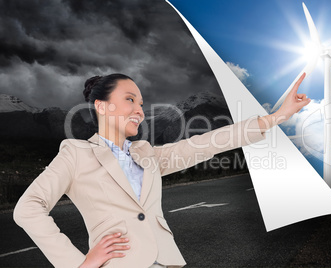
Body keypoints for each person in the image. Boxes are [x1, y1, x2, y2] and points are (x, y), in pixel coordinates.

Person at [13, 73, 310, 268]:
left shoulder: (146, 154)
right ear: (102, 107)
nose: (140, 110)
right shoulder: (76, 153)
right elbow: (27, 209)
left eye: (141, 103)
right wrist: (79, 264)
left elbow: (206, 144)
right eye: (129, 99)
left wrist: (278, 117)